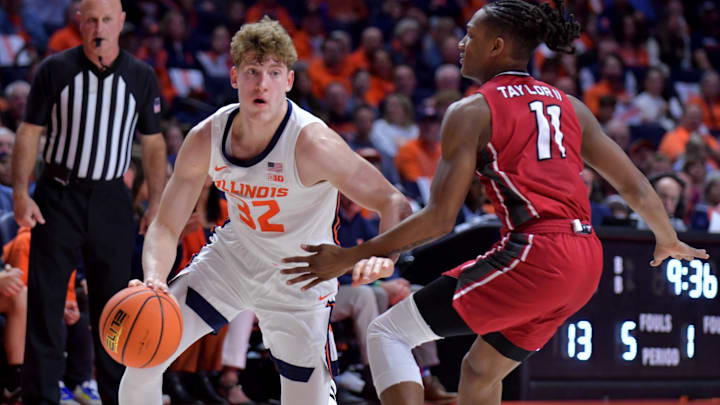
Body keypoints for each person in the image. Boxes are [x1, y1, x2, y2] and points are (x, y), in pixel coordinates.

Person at [280, 2, 710, 405]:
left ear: (497, 46)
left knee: (387, 333)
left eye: (470, 34)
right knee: (481, 370)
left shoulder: (472, 111)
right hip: (587, 259)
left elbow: (440, 219)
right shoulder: (572, 106)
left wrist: (353, 255)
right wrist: (666, 237)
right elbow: (634, 184)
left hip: (538, 253)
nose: (462, 43)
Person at [119, 17, 410, 405]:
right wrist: (155, 279)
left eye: (274, 73)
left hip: (301, 276)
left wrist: (385, 256)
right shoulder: (206, 136)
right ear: (235, 76)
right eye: (253, 72)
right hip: (233, 261)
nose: (262, 84)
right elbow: (166, 225)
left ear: (289, 81)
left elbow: (394, 201)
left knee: (304, 398)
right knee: (143, 356)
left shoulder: (314, 143)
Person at [11, 0, 167, 403]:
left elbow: (152, 145)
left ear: (121, 23)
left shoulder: (140, 75)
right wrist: (22, 193)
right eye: (92, 19)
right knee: (46, 305)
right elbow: (29, 133)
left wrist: (156, 203)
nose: (99, 27)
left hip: (111, 198)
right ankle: (40, 398)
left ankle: (116, 397)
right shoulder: (55, 69)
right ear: (80, 22)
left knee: (114, 308)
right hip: (58, 194)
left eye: (107, 19)